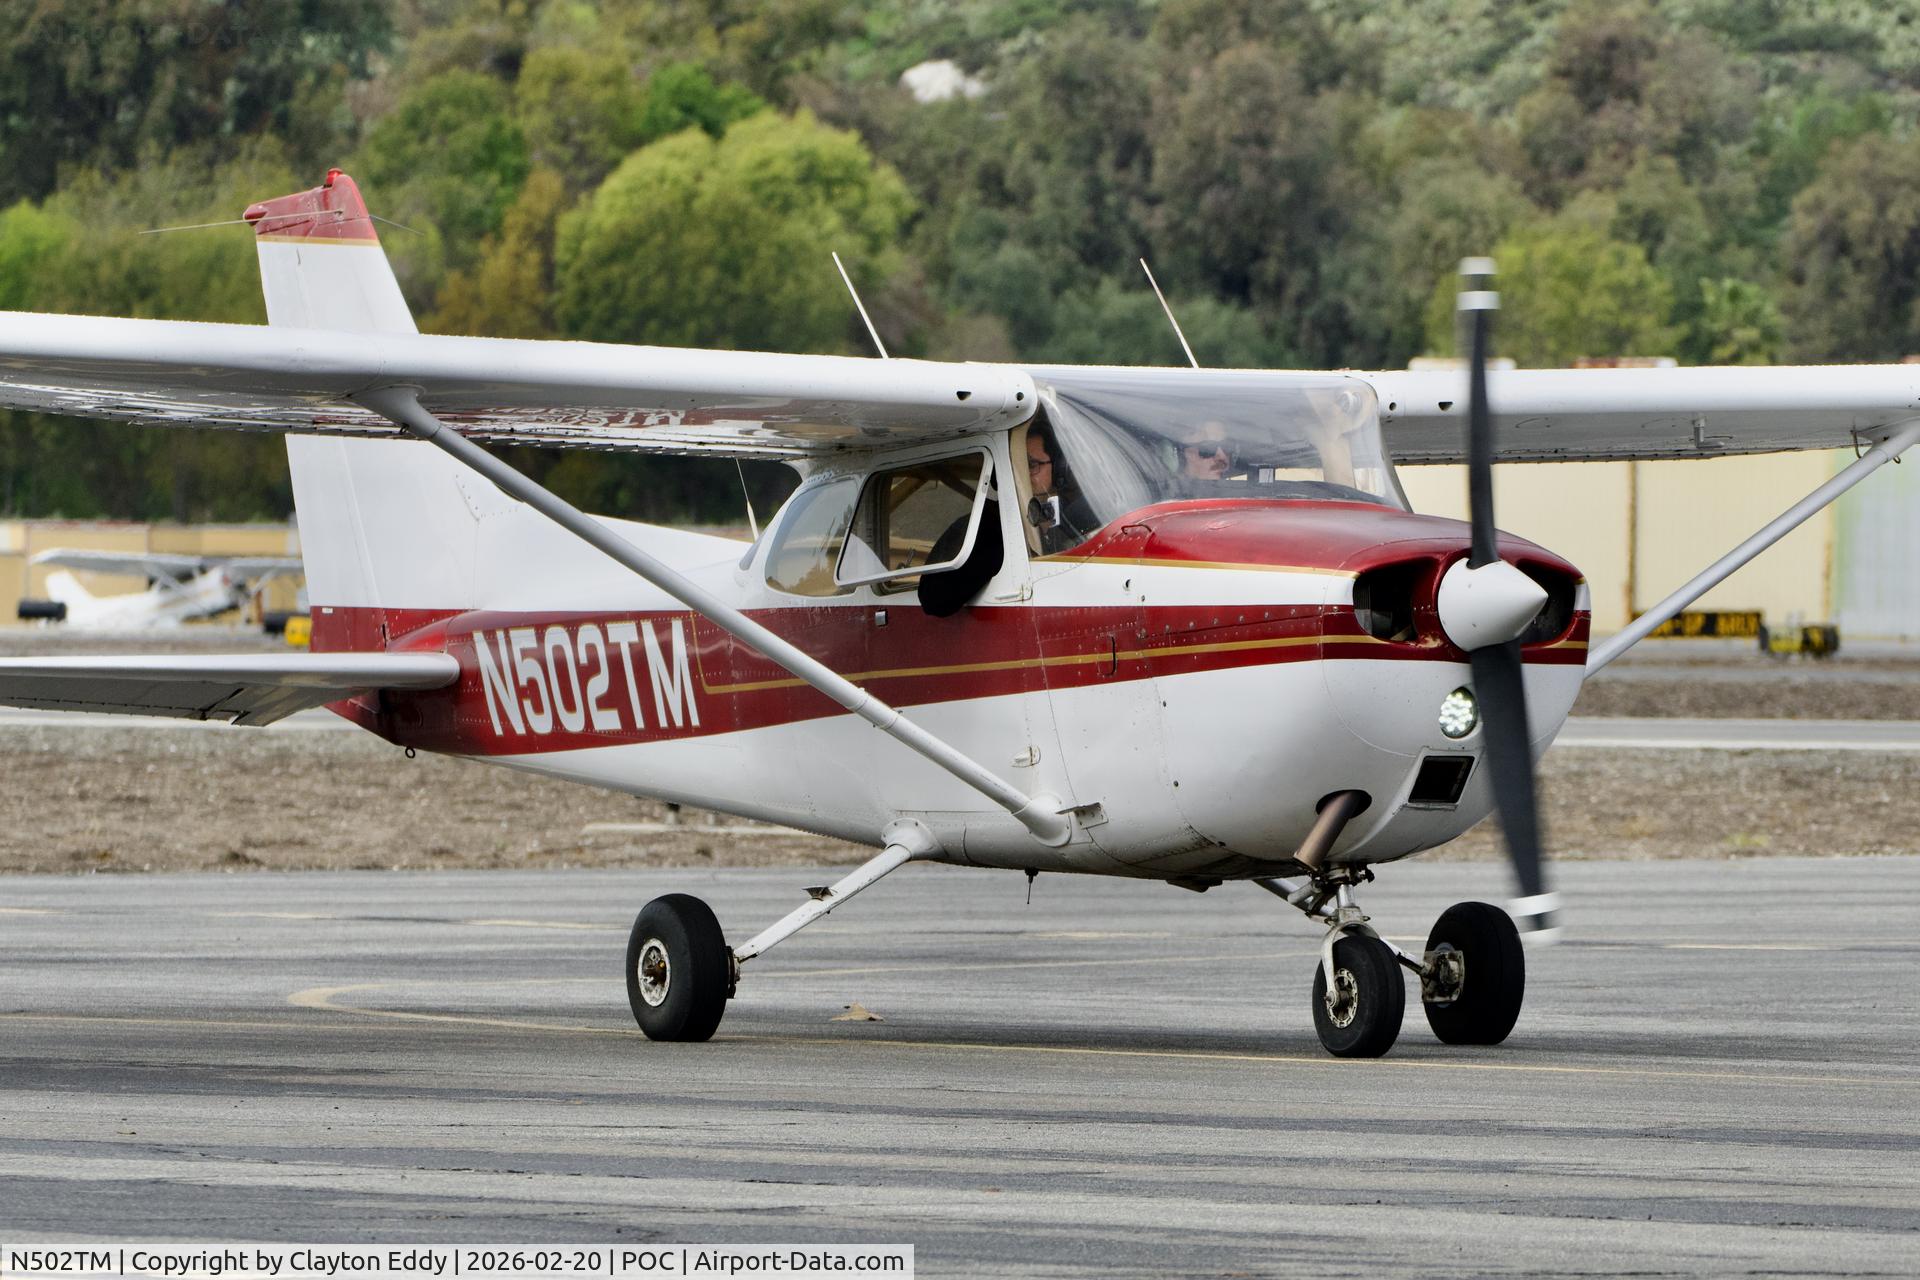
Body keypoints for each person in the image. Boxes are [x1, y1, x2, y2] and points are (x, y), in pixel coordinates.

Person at [1024, 427, 1091, 553]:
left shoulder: (1080, 517)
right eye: (1022, 464)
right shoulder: (1011, 520)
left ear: (1059, 467)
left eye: (1032, 465)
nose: (1024, 473)